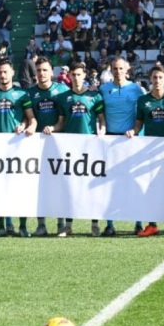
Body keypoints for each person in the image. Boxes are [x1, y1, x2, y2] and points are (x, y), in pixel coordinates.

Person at [45, 62, 105, 236]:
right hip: (70, 147)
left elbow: (101, 119)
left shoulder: (95, 96)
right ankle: (68, 225)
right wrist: (52, 128)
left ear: (84, 76)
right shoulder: (64, 98)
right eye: (73, 75)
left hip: (91, 146)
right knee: (69, 186)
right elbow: (61, 122)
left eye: (79, 75)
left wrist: (102, 130)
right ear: (69, 76)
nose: (76, 78)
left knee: (92, 185)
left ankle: (94, 224)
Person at [129, 64, 164, 237]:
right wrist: (134, 131)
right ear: (150, 79)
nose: (157, 80)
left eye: (160, 77)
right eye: (154, 77)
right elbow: (139, 123)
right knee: (150, 186)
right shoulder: (143, 101)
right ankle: (152, 224)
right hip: (150, 148)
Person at [0, 59, 36, 237]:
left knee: (20, 187)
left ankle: (22, 226)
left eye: (5, 72)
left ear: (12, 72)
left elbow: (31, 119)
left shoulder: (22, 94)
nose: (2, 75)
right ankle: (1, 226)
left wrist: (26, 125)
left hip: (18, 147)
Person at [99, 56, 146, 235]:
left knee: (134, 182)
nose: (118, 72)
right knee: (110, 184)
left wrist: (137, 131)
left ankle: (138, 222)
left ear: (127, 70)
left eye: (121, 68)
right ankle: (110, 224)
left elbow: (142, 114)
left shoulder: (136, 89)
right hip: (111, 140)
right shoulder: (104, 89)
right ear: (110, 70)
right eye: (114, 69)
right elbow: (99, 113)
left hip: (131, 140)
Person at [26, 57, 69, 236]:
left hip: (59, 144)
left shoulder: (62, 90)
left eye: (45, 70)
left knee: (59, 184)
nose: (41, 74)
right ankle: (41, 225)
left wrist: (55, 128)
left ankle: (61, 224)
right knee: (39, 185)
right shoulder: (29, 93)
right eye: (38, 70)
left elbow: (66, 117)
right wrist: (29, 125)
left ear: (52, 72)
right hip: (37, 145)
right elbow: (27, 116)